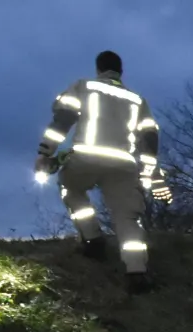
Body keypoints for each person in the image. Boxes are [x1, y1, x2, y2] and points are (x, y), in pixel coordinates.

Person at [34, 51, 171, 294]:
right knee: (128, 218)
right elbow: (149, 139)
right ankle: (136, 273)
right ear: (121, 71)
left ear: (99, 69)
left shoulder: (84, 86)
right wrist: (149, 174)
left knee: (71, 188)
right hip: (123, 166)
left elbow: (63, 120)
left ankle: (93, 239)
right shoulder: (138, 100)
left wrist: (46, 152)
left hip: (85, 159)